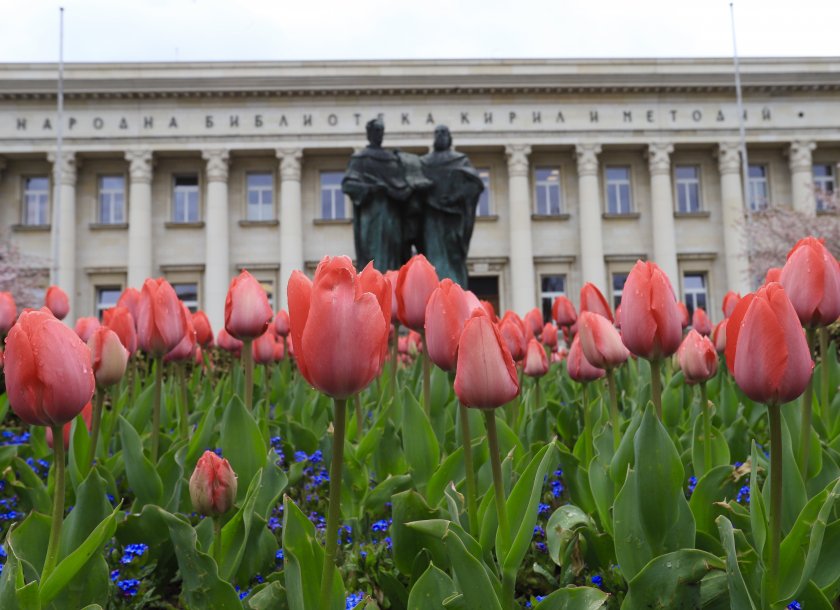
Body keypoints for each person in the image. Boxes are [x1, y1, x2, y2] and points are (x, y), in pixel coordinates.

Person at [342, 118, 429, 272]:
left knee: (394, 256)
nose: (379, 134)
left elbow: (403, 187)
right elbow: (348, 185)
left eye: (381, 131)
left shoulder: (392, 159)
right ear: (368, 133)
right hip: (371, 216)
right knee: (372, 256)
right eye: (376, 131)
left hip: (392, 217)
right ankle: (374, 284)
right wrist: (371, 188)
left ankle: (389, 284)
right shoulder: (361, 159)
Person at [419, 125, 484, 287]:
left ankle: (453, 291)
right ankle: (438, 291)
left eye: (444, 133)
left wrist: (455, 197)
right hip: (431, 216)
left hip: (454, 218)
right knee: (432, 255)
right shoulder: (424, 162)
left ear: (450, 138)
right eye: (437, 133)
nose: (440, 136)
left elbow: (474, 185)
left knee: (454, 256)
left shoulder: (460, 160)